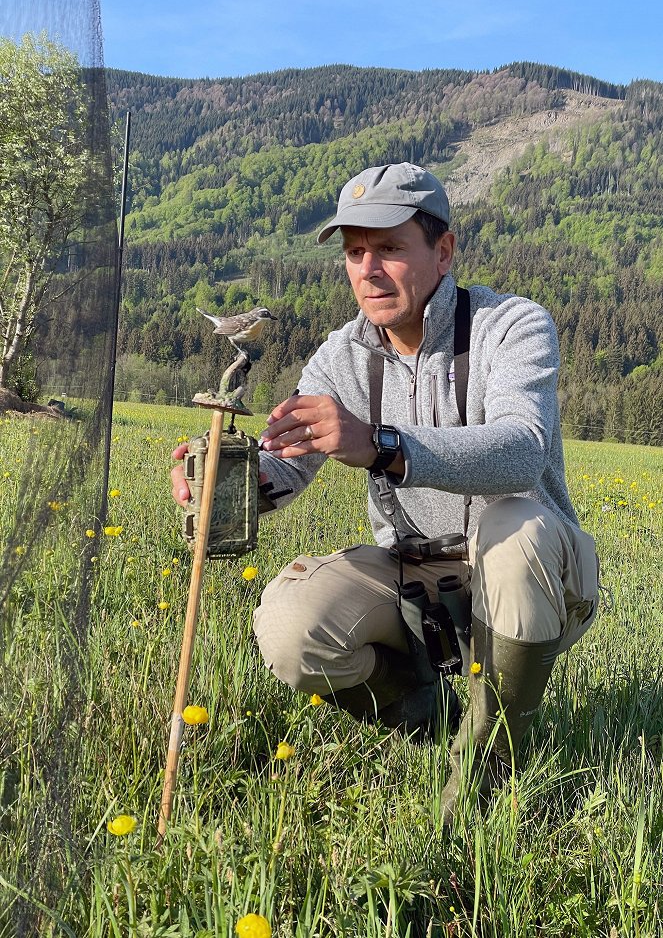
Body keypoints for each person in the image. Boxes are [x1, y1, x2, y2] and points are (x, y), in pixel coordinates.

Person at [171, 162, 600, 824]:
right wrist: (225, 479)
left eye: (390, 248)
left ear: (443, 250)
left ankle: (492, 769)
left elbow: (521, 449)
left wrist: (381, 443)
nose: (367, 269)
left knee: (516, 528)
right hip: (418, 580)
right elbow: (281, 467)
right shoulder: (338, 357)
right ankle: (436, 719)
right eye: (353, 252)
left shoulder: (510, 325)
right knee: (291, 628)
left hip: (536, 579)